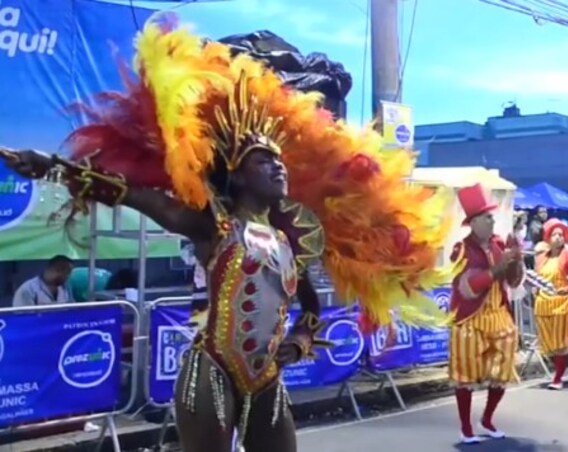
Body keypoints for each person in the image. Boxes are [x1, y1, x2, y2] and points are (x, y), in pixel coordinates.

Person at [2, 15, 452, 452]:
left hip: (265, 379)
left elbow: (310, 307)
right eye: (264, 162)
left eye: (279, 162)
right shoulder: (212, 226)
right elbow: (132, 194)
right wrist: (51, 167)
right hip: (211, 371)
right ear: (236, 177)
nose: (277, 167)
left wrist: (298, 343)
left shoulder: (292, 236)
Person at [448, 183, 523, 445]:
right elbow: (466, 288)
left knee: (503, 370)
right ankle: (466, 428)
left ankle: (487, 419)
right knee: (465, 374)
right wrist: (495, 270)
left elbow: (513, 282)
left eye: (492, 216)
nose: (493, 221)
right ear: (474, 222)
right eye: (487, 217)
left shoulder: (498, 245)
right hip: (470, 317)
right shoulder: (460, 249)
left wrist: (517, 261)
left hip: (498, 314)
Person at [533, 218, 568, 390]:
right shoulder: (541, 258)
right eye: (554, 234)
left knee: (560, 344)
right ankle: (566, 364)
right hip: (543, 305)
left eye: (561, 234)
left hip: (563, 304)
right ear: (547, 237)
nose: (558, 238)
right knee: (547, 345)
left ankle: (558, 377)